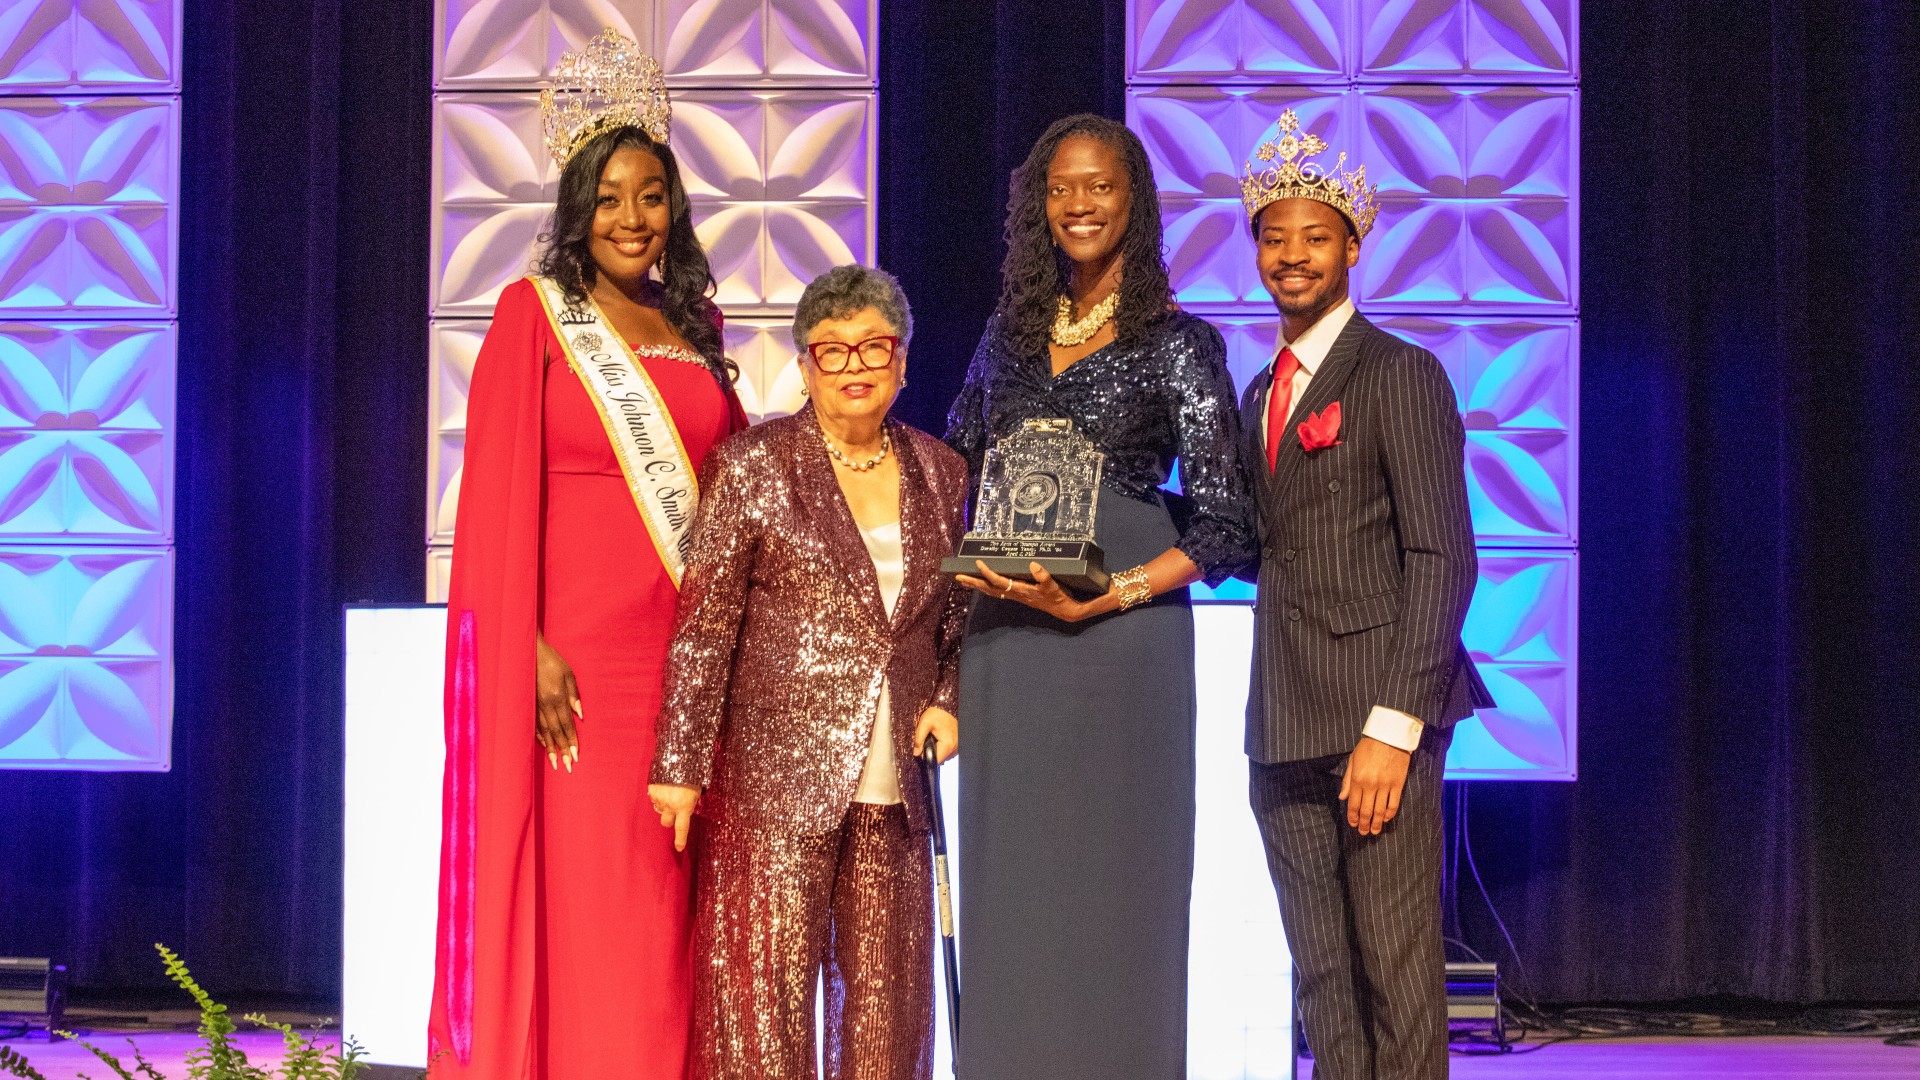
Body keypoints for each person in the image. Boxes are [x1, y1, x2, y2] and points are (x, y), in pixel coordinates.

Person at [427, 30, 748, 1080]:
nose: (631, 219)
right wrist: (519, 645)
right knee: (588, 903)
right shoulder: (534, 316)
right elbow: (491, 506)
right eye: (608, 199)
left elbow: (734, 495)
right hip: (572, 672)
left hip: (680, 665)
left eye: (650, 196)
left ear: (674, 208)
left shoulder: (695, 328)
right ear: (577, 207)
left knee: (665, 910)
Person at [943, 114, 1256, 1077]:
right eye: (1061, 188)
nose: (1079, 204)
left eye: (1100, 186)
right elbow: (952, 463)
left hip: (1124, 649)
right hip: (1008, 643)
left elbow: (1226, 526)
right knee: (1016, 886)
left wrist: (1110, 592)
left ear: (1135, 202)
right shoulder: (1005, 337)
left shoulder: (1179, 343)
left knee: (1121, 885)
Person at [648, 264, 968, 1080]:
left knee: (887, 1021)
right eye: (833, 350)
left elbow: (962, 617)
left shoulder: (943, 472)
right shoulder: (751, 466)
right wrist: (679, 767)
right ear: (804, 364)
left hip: (897, 790)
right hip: (771, 788)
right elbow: (704, 627)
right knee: (762, 1017)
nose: (856, 365)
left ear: (902, 360)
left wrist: (950, 699)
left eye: (874, 346)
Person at [1234, 110, 1494, 1080]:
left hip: (1375, 722)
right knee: (1322, 982)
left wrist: (1394, 726)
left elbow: (1443, 558)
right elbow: (1248, 541)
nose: (1293, 256)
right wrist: (1103, 509)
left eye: (1315, 237)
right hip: (1284, 720)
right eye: (1275, 237)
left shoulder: (1400, 373)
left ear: (1352, 247)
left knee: (1394, 969)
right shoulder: (1260, 392)